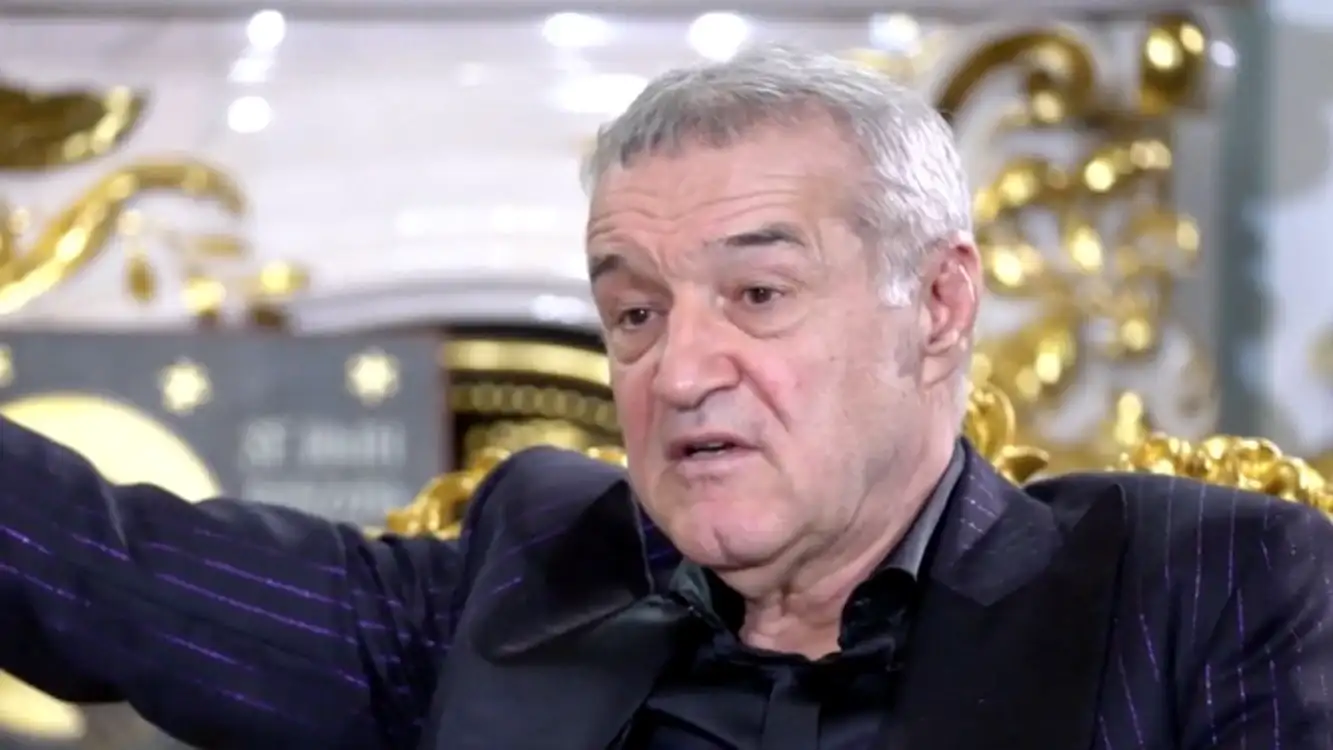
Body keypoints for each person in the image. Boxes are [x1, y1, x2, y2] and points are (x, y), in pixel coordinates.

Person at [1, 45, 1331, 750]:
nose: (679, 370)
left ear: (936, 304)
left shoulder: (1198, 586)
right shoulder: (531, 575)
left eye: (758, 293)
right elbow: (110, 571)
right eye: (635, 313)